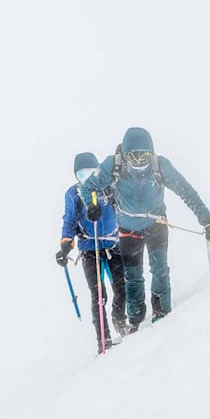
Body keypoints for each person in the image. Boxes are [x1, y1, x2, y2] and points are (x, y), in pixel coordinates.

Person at [78, 127, 210, 332]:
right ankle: (135, 319)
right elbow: (87, 187)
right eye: (133, 157)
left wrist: (206, 220)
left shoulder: (160, 166)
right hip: (128, 229)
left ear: (151, 153)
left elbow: (186, 191)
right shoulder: (113, 165)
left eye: (143, 156)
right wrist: (91, 205)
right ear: (124, 156)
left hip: (157, 226)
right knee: (133, 276)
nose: (139, 162)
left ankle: (162, 311)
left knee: (160, 269)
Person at [58, 151, 128, 354]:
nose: (85, 177)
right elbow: (69, 221)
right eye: (80, 174)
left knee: (122, 286)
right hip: (90, 249)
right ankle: (103, 340)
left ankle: (119, 320)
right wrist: (65, 244)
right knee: (98, 295)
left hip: (113, 244)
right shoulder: (73, 194)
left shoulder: (108, 187)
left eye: (89, 172)